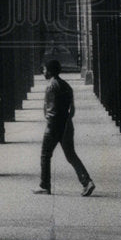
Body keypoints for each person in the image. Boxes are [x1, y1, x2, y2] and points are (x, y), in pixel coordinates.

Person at [34, 59, 95, 196]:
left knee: (45, 155)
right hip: (67, 124)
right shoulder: (67, 86)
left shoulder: (51, 86)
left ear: (49, 71)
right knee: (71, 155)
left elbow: (49, 110)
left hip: (54, 126)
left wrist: (50, 123)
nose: (43, 72)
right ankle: (87, 182)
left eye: (44, 69)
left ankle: (44, 185)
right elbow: (72, 110)